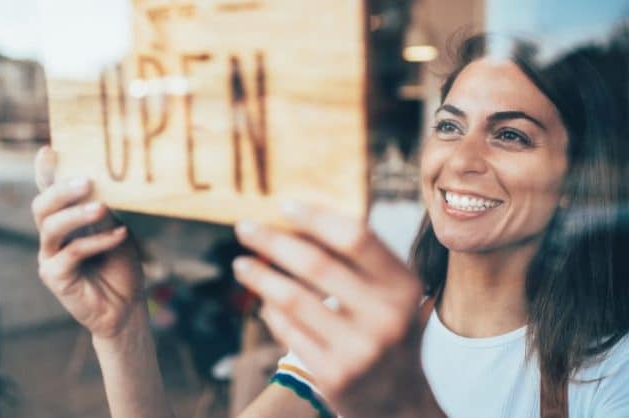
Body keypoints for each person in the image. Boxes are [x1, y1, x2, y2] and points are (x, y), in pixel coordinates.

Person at [31, 32, 629, 418]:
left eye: (510, 135)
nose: (462, 161)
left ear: (578, 177)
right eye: (449, 126)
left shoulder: (611, 375)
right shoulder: (354, 331)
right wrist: (122, 327)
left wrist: (399, 406)